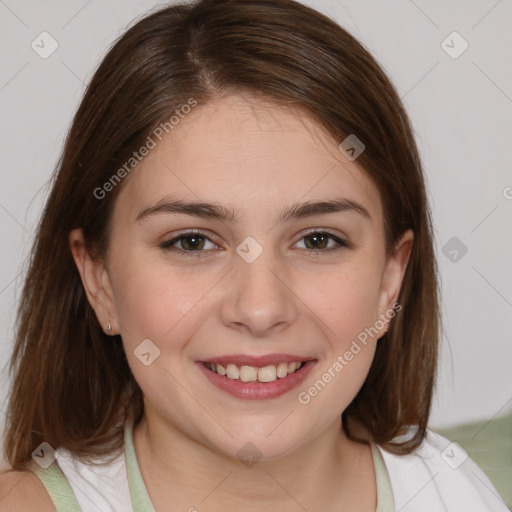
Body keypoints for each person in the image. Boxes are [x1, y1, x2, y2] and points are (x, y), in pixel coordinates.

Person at [0, 0, 508, 511]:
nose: (260, 309)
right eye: (192, 242)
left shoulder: (458, 493)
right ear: (99, 279)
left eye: (318, 240)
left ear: (389, 281)